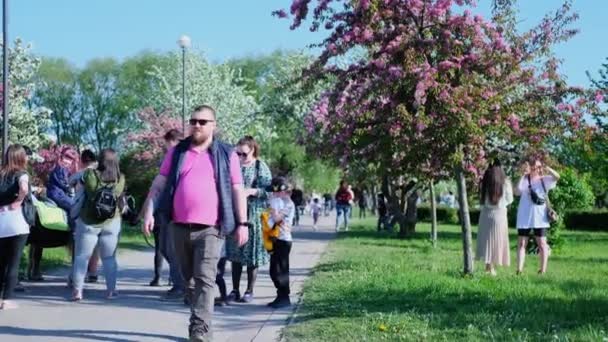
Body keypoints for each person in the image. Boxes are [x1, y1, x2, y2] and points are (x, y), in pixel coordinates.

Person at [142, 105, 249, 342]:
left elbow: (237, 189)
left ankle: (199, 330)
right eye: (193, 121)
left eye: (202, 121)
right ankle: (202, 326)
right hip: (178, 226)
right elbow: (159, 183)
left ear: (213, 125)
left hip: (211, 229)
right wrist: (149, 212)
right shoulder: (177, 152)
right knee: (188, 281)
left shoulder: (226, 153)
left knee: (204, 279)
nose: (197, 125)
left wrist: (243, 223)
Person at [71, 149, 125, 301]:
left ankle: (77, 291)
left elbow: (78, 188)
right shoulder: (120, 178)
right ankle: (111, 291)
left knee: (82, 257)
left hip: (88, 221)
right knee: (109, 258)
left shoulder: (90, 175)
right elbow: (119, 196)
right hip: (111, 221)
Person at [225, 135, 272, 304]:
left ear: (252, 150)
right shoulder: (233, 166)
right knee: (235, 253)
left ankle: (249, 290)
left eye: (244, 154)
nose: (240, 157)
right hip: (236, 215)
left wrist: (252, 191)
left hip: (255, 215)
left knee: (252, 255)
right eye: (238, 154)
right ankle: (235, 289)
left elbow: (270, 192)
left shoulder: (260, 166)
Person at [514, 156, 560, 275]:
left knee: (542, 244)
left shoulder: (544, 180)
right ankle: (519, 270)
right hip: (524, 216)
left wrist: (547, 168)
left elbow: (557, 177)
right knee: (522, 243)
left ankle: (542, 270)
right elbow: (517, 192)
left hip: (540, 218)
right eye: (535, 167)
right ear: (530, 168)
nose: (538, 169)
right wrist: (522, 175)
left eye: (539, 167)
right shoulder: (524, 179)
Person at [0, 145, 32, 310]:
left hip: (1, 219)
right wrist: (18, 201)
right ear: (21, 157)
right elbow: (24, 188)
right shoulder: (22, 174)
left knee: (2, 261)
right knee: (14, 261)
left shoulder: (1, 173)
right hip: (17, 221)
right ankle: (7, 300)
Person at [150, 129, 183, 290]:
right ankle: (178, 278)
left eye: (168, 144)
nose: (167, 148)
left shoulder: (182, 157)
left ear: (175, 141)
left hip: (176, 209)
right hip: (164, 208)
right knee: (163, 247)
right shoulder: (168, 159)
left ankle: (179, 283)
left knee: (172, 247)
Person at [475, 161, 513, 276]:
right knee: (497, 241)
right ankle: (492, 268)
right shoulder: (505, 182)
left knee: (487, 241)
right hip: (499, 214)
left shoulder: (484, 182)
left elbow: (481, 200)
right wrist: (502, 203)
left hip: (486, 213)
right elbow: (510, 199)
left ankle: (488, 267)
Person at [69, 149, 100, 283]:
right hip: (99, 214)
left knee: (80, 246)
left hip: (82, 213)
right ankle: (92, 272)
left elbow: (69, 184)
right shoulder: (102, 173)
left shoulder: (79, 174)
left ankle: (75, 277)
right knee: (96, 244)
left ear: (82, 161)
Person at [266, 177, 295, 308]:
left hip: (284, 241)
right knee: (273, 270)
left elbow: (277, 218)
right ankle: (280, 295)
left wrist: (272, 206)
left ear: (282, 190)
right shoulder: (279, 202)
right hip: (276, 239)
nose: (273, 194)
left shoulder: (288, 204)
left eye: (275, 191)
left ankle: (285, 297)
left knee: (281, 270)